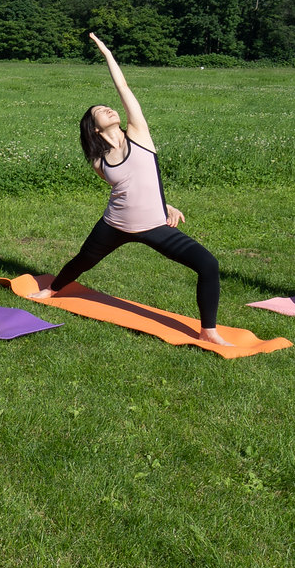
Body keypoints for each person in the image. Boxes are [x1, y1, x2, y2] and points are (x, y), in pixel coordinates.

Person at [33, 33, 226, 345]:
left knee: (208, 264)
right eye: (101, 110)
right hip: (115, 224)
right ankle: (52, 289)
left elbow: (123, 89)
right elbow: (131, 187)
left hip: (153, 226)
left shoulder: (138, 134)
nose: (110, 109)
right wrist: (162, 202)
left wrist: (107, 52)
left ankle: (209, 330)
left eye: (110, 107)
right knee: (83, 260)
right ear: (95, 127)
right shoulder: (100, 161)